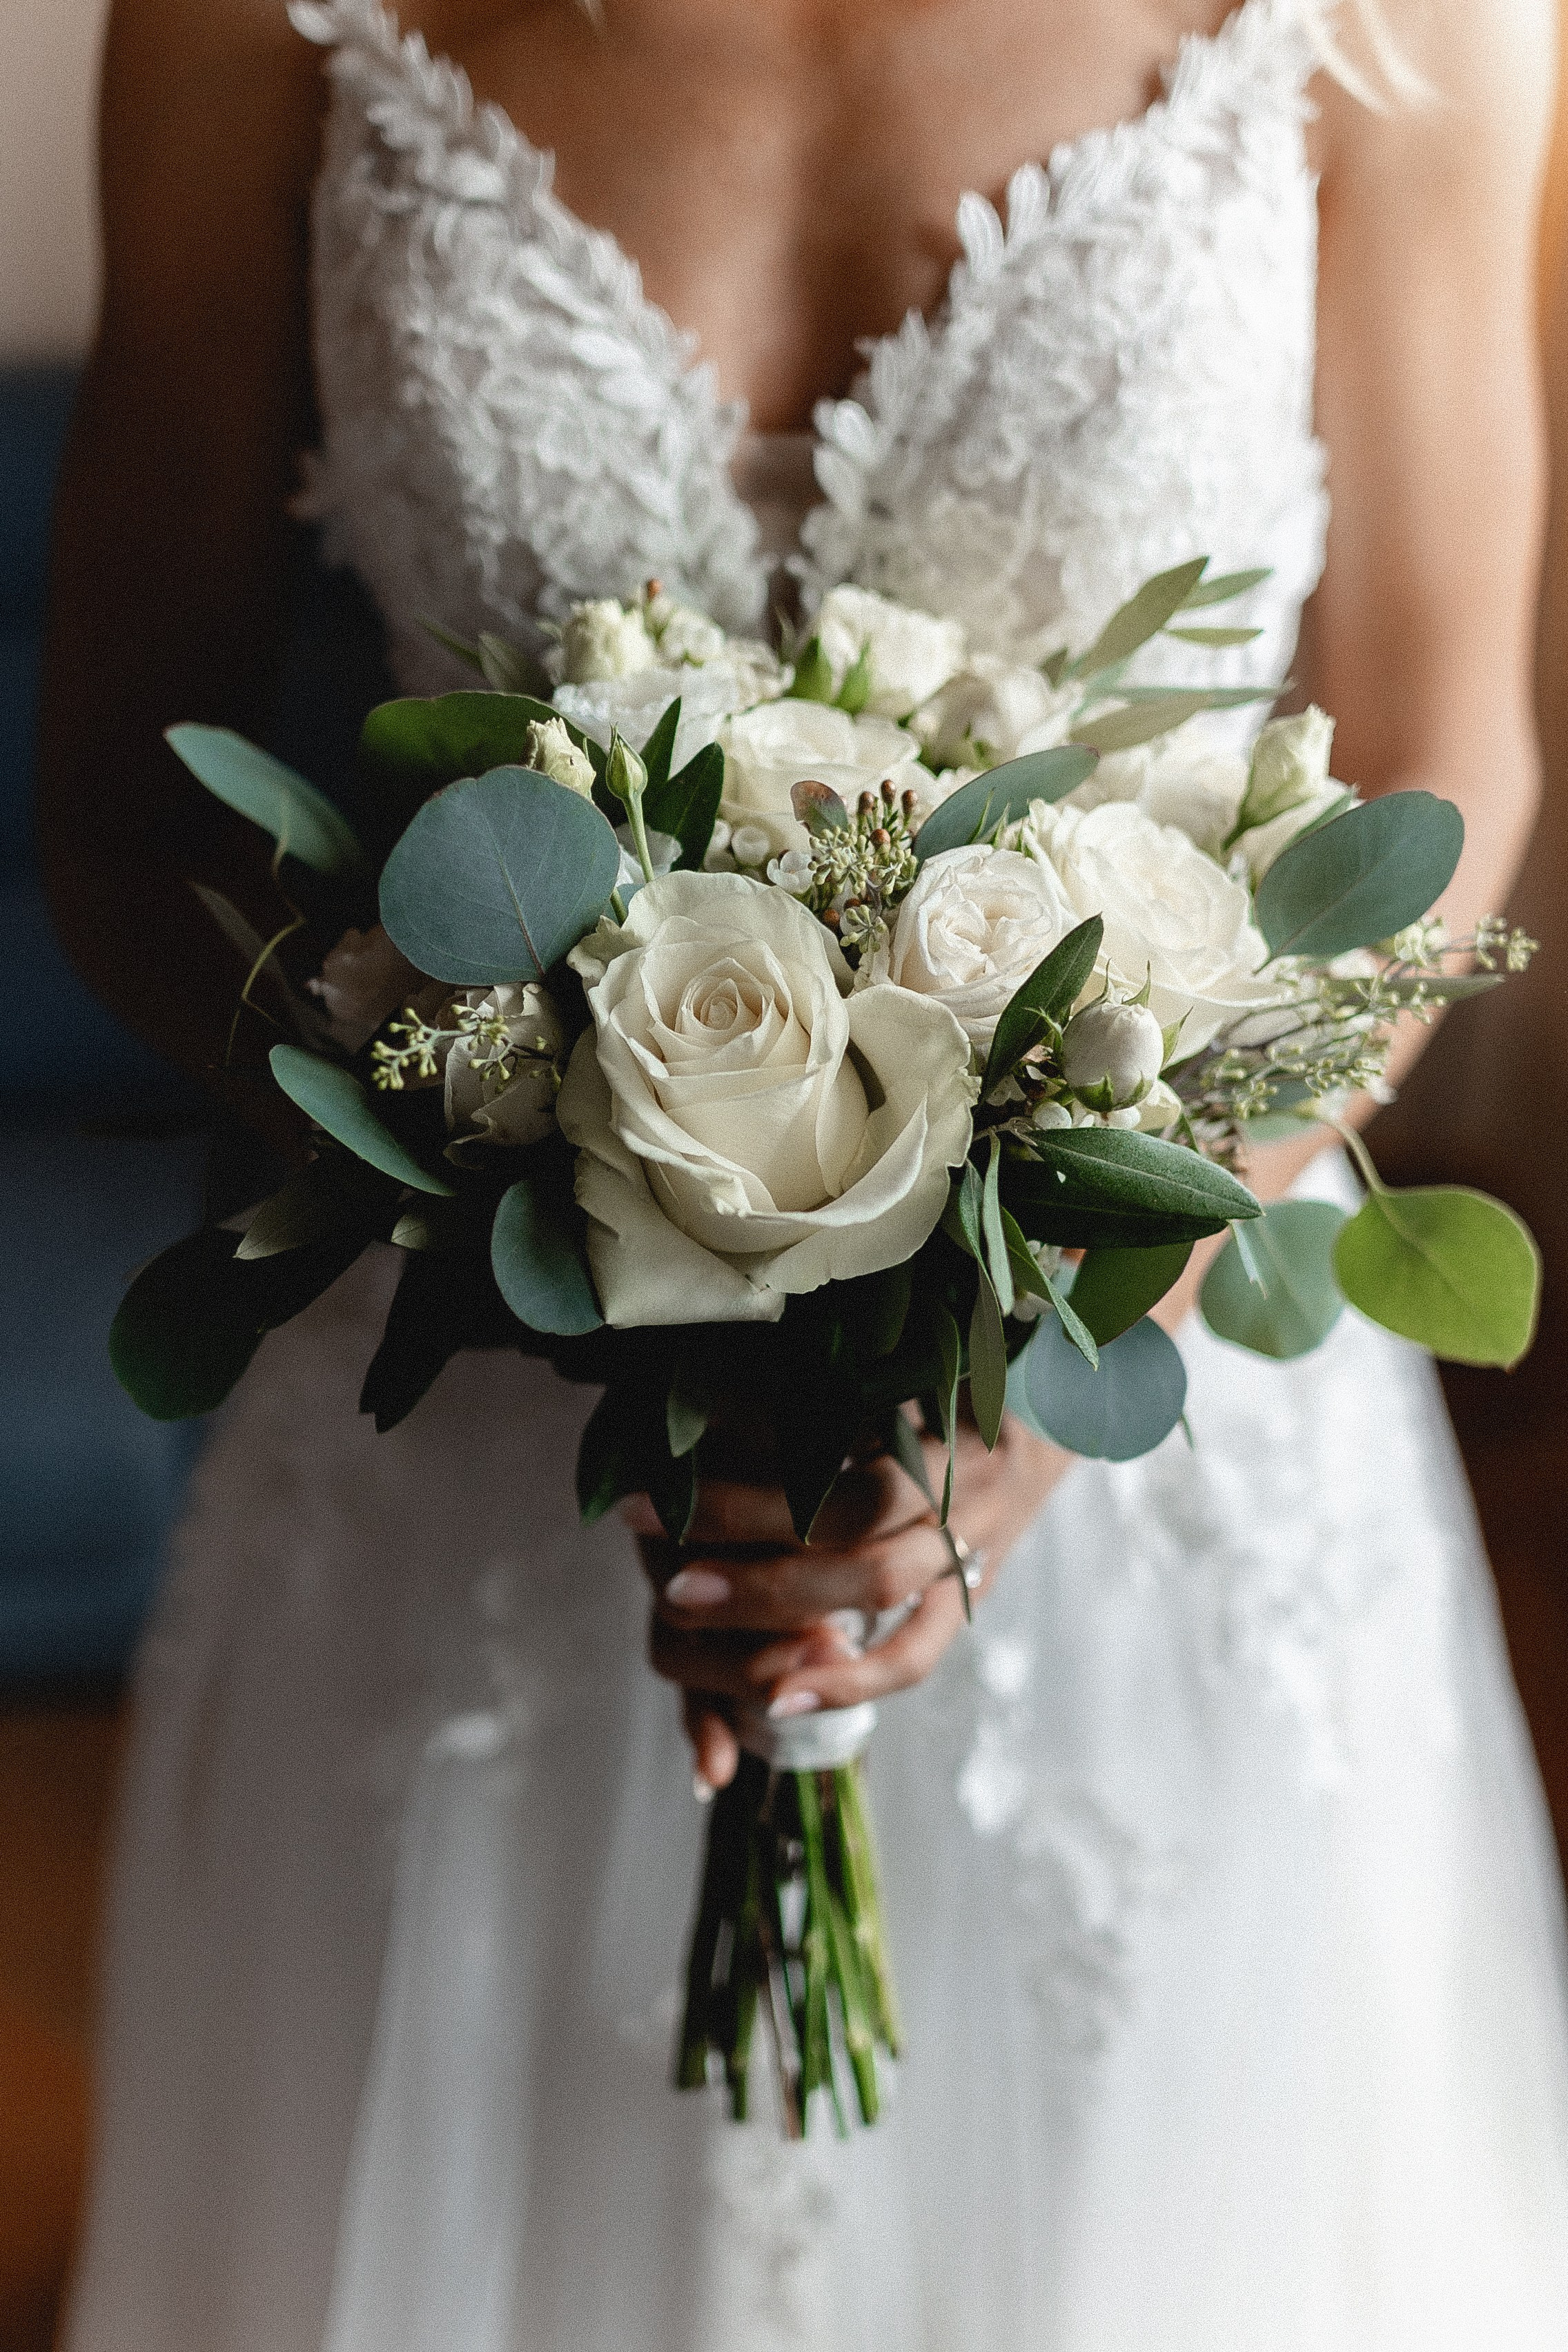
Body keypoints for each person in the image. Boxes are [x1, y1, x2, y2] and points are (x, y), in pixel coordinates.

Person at [37, 0, 1568, 2343]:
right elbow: (128, 813)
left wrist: (1083, 1330)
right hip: (475, 1467)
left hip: (1151, 1492)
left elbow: (1454, 766)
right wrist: (501, 1176)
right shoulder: (254, 24)